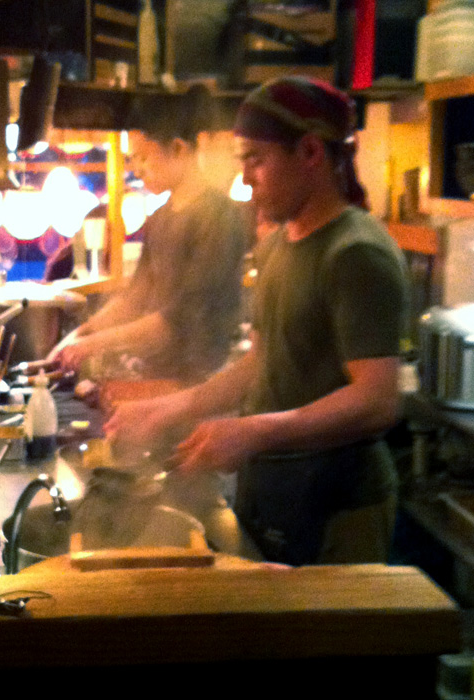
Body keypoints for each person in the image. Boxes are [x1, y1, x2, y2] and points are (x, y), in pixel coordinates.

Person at [105, 76, 409, 566]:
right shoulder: (277, 246)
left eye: (256, 160)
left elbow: (376, 400)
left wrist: (252, 432)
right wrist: (166, 409)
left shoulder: (355, 253)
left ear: (310, 152)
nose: (245, 180)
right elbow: (258, 365)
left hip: (336, 505)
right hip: (273, 490)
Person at [48, 85, 247, 384]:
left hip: (201, 380)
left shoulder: (219, 218)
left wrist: (92, 344)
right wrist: (83, 332)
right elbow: (135, 297)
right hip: (159, 374)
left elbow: (177, 321)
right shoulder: (161, 216)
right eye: (132, 159)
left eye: (142, 158)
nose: (136, 170)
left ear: (178, 149)